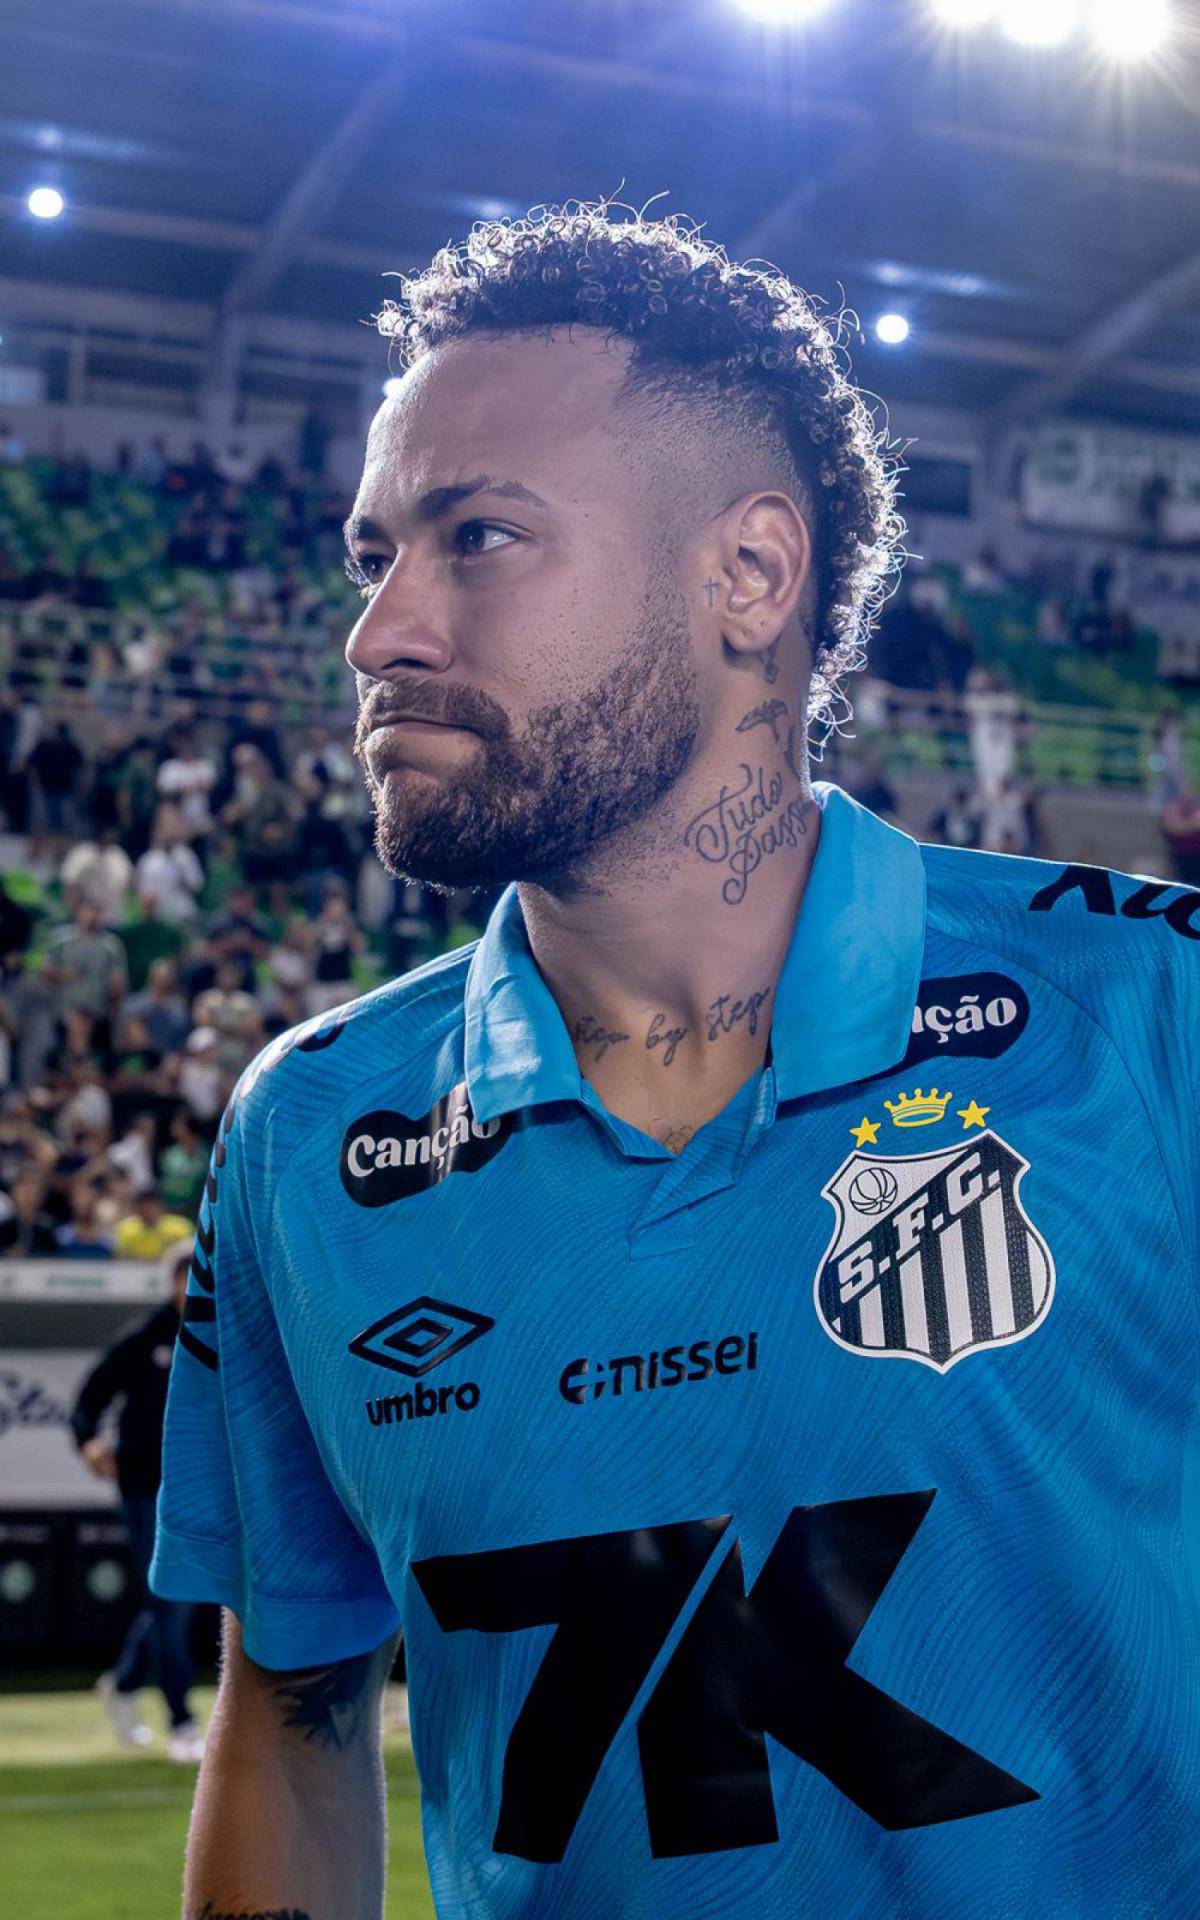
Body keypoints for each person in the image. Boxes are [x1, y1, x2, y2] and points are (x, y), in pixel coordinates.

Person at [150, 200, 1200, 1919]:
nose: (380, 631)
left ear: (751, 575)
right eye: (372, 555)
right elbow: (294, 1716)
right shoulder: (307, 1135)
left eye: (480, 536)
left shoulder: (1155, 1011)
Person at [71, 1240, 205, 1762]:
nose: (191, 1285)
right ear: (172, 1282)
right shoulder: (143, 1336)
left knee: (175, 1597)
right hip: (145, 1485)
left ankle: (124, 1682)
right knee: (170, 1596)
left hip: (196, 1485)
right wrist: (89, 1441)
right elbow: (90, 1397)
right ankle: (181, 1721)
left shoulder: (220, 1333)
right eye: (184, 1275)